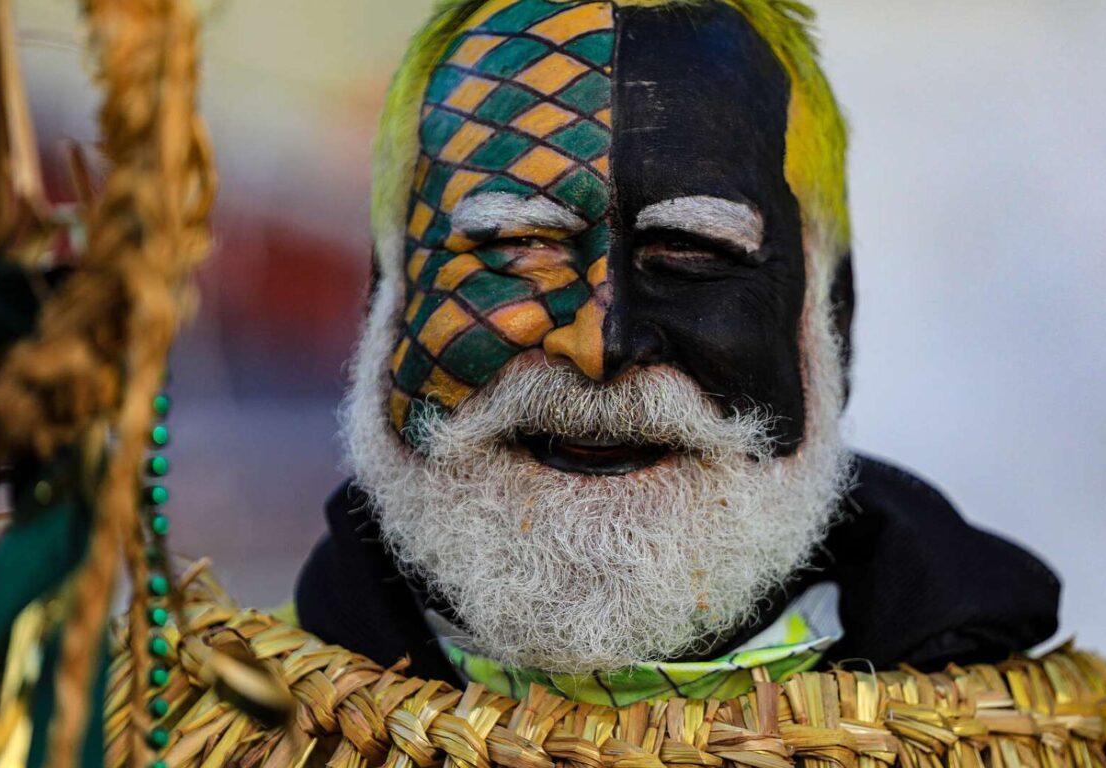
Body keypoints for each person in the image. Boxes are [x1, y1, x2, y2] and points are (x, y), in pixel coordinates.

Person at [294, 0, 1060, 706]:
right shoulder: (220, 731)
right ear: (383, 303)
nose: (603, 342)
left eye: (692, 250)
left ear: (833, 316)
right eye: (518, 244)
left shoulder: (1060, 748)